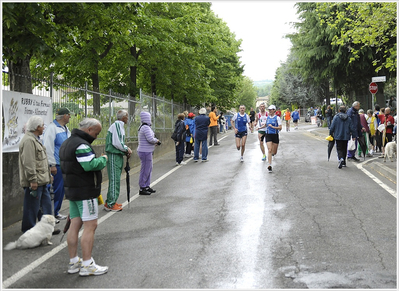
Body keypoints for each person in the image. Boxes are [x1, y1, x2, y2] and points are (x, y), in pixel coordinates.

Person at [60, 118, 108, 276]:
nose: (96, 136)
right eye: (96, 132)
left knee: (74, 225)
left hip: (72, 191)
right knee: (91, 226)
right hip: (85, 192)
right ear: (89, 129)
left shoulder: (67, 143)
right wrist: (103, 159)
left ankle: (74, 262)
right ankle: (87, 264)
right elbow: (90, 165)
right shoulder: (81, 145)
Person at [19, 115, 60, 235]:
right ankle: (28, 231)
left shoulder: (35, 139)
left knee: (46, 206)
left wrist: (48, 175)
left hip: (42, 180)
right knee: (32, 207)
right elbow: (29, 162)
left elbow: (41, 161)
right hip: (35, 181)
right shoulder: (28, 141)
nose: (43, 128)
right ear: (37, 127)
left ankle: (47, 229)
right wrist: (33, 180)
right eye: (42, 126)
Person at [43, 107, 72, 221]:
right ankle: (51, 214)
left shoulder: (64, 128)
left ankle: (56, 212)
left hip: (64, 163)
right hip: (57, 165)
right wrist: (52, 164)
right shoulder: (52, 128)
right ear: (64, 116)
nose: (70, 117)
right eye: (69, 115)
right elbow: (48, 147)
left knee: (60, 190)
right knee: (54, 190)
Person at [104, 110, 132, 212]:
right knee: (114, 179)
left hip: (117, 155)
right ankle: (110, 203)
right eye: (127, 116)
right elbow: (117, 143)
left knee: (116, 179)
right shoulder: (116, 125)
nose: (128, 118)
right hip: (113, 155)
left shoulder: (119, 126)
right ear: (123, 117)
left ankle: (111, 201)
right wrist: (126, 149)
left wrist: (125, 150)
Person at [137, 111, 160, 195]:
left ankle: (146, 185)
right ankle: (142, 187)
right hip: (145, 151)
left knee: (149, 169)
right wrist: (156, 141)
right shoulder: (145, 127)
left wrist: (154, 143)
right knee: (145, 169)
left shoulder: (144, 127)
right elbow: (150, 139)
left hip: (146, 151)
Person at [265, 105, 282, 173]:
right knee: (269, 150)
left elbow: (280, 128)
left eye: (271, 110)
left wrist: (273, 127)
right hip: (268, 135)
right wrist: (260, 128)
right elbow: (266, 125)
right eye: (269, 110)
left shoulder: (277, 118)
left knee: (274, 152)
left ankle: (272, 155)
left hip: (275, 135)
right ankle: (269, 165)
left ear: (274, 110)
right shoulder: (267, 118)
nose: (270, 111)